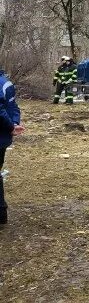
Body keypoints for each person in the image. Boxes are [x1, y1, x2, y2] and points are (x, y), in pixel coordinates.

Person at [0, 67, 24, 225]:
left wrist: (11, 126)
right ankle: (1, 214)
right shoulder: (6, 83)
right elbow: (13, 107)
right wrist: (14, 124)